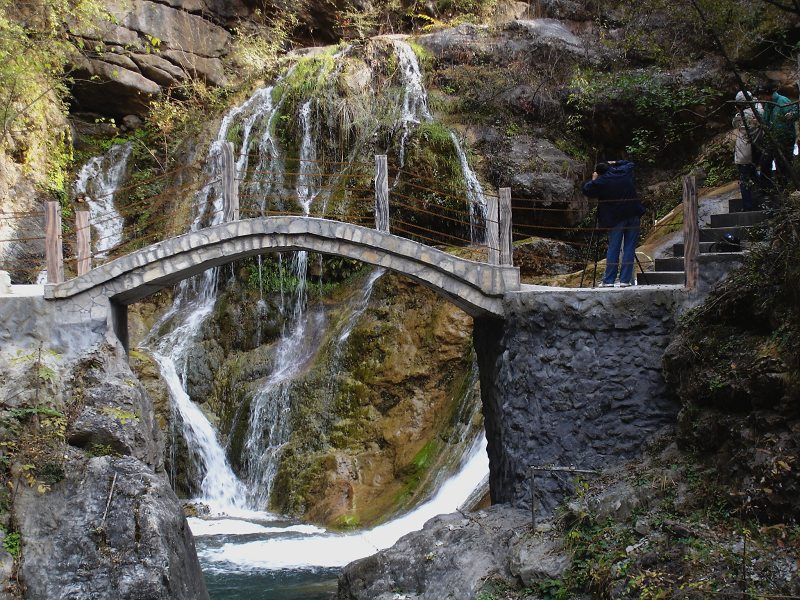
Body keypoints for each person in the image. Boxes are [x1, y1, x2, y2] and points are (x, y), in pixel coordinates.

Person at [582, 160, 646, 287]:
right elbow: (631, 163)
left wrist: (594, 180)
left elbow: (586, 190)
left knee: (614, 247)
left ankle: (609, 280)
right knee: (629, 248)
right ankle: (624, 280)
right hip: (633, 214)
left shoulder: (602, 181)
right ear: (610, 167)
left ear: (599, 173)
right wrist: (616, 162)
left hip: (616, 218)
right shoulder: (623, 172)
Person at [756, 82, 798, 189]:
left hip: (785, 139)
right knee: (765, 162)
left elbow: (796, 112)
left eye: (763, 95)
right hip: (772, 139)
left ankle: (785, 187)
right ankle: (767, 187)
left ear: (768, 94)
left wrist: (790, 115)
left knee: (783, 165)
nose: (761, 97)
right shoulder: (768, 104)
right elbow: (765, 120)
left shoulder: (782, 101)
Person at [732, 90, 762, 211]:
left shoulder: (740, 117)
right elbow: (757, 105)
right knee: (756, 176)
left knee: (745, 179)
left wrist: (740, 111)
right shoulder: (759, 111)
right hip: (757, 150)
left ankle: (748, 206)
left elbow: (734, 124)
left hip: (744, 154)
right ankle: (762, 200)